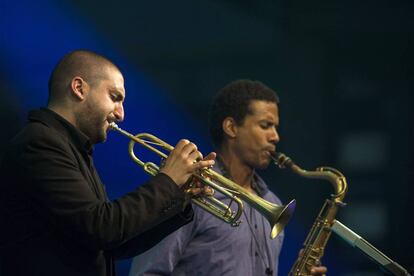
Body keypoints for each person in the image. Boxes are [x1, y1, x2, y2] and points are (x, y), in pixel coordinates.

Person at [0, 50, 215, 276]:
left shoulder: (72, 148)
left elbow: (114, 245)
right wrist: (168, 181)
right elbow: (102, 228)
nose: (121, 114)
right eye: (115, 97)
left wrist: (180, 198)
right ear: (79, 88)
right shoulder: (40, 143)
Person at [129, 79, 327, 275]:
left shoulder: (273, 203)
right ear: (231, 127)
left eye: (275, 127)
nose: (275, 137)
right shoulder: (191, 191)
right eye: (266, 125)